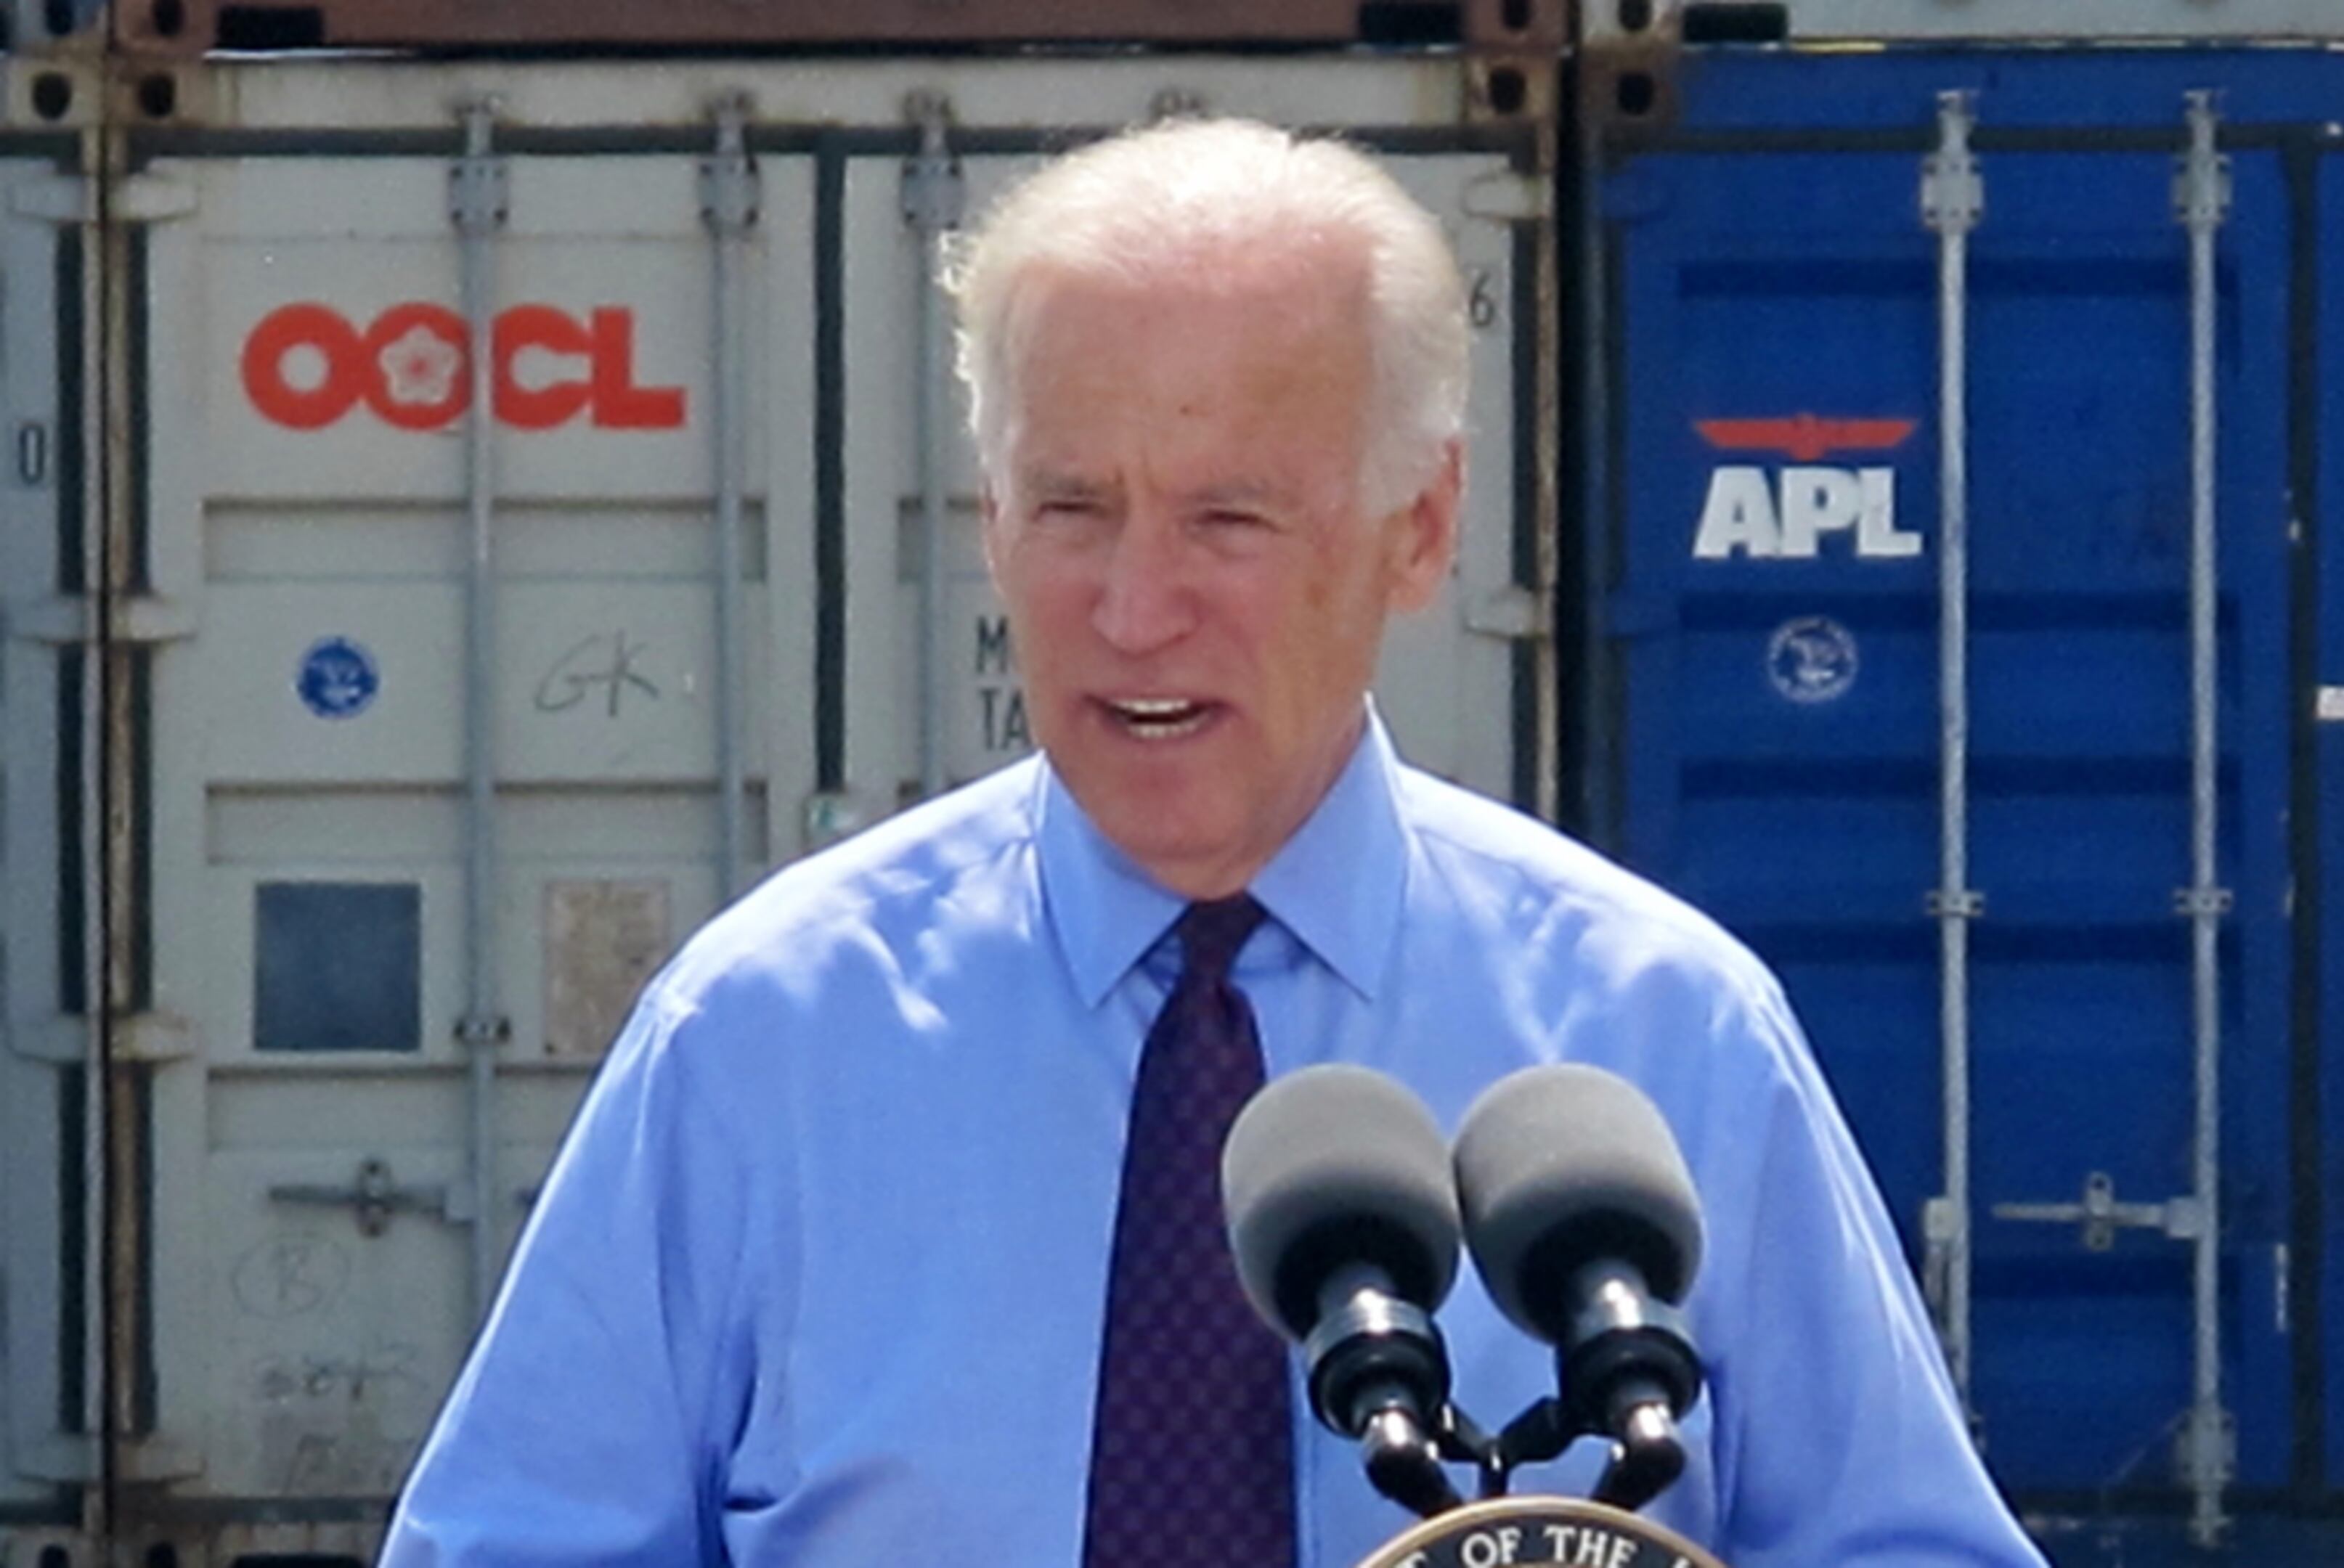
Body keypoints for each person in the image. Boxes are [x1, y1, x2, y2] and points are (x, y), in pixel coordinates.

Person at [380, 118, 2046, 1567]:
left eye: (1229, 519)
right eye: (1072, 508)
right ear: (988, 517)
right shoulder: (760, 1040)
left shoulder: (1663, 1036)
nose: (1133, 608)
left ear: (1425, 525)